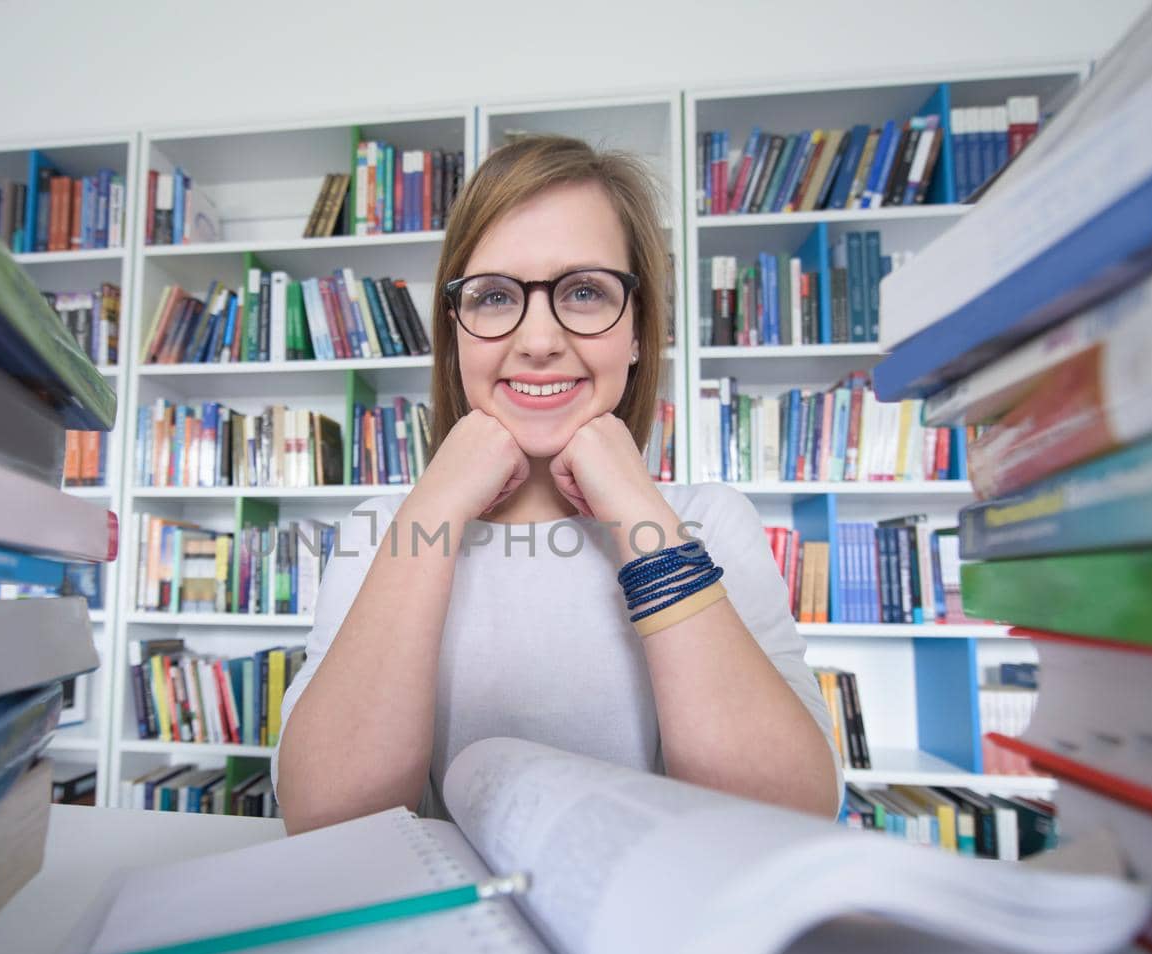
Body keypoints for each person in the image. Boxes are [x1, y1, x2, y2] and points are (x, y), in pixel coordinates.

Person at [272, 135, 841, 833]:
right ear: (455, 337)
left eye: (583, 291)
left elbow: (788, 814)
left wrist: (639, 515)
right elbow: (328, 813)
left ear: (635, 333)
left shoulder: (710, 520)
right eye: (492, 297)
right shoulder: (384, 525)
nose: (538, 340)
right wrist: (439, 505)